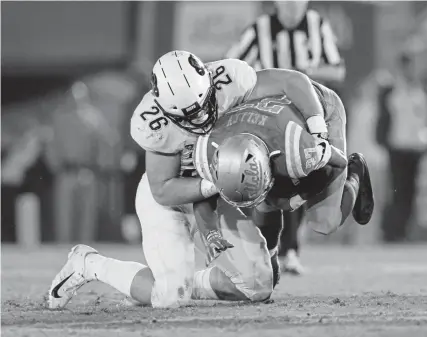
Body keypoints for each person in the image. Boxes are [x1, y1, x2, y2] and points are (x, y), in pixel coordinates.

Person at [47, 50, 331, 309]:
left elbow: (290, 81)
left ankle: (179, 280)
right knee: (169, 297)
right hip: (175, 196)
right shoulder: (153, 123)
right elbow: (162, 189)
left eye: (203, 105)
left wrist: (317, 126)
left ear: (209, 83)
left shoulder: (229, 79)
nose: (201, 118)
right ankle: (90, 264)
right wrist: (213, 184)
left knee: (257, 287)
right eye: (188, 115)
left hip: (213, 197)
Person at [192, 87, 374, 283]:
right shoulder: (206, 151)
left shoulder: (298, 149)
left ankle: (357, 172)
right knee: (268, 199)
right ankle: (270, 258)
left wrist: (296, 199)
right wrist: (210, 234)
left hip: (317, 111)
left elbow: (336, 164)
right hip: (271, 122)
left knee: (324, 222)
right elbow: (202, 197)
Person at [226, 0, 346, 274]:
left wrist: (305, 75)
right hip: (270, 117)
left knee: (302, 175)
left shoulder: (318, 25)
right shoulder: (260, 29)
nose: (292, 4)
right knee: (272, 180)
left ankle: (286, 248)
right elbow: (233, 67)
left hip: (309, 116)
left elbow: (338, 69)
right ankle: (275, 249)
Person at [376, 50, 427, 242]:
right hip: (397, 147)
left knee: (411, 191)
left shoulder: (422, 89)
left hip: (416, 147)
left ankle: (404, 230)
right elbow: (383, 118)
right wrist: (382, 140)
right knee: (397, 189)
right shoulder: (391, 89)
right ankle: (391, 231)